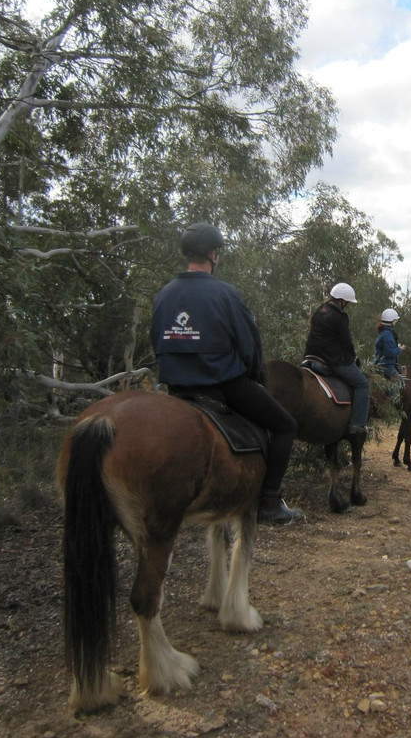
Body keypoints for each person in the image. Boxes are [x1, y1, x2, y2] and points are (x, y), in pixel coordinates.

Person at [150, 222, 303, 525]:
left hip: (178, 389)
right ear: (213, 254)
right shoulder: (225, 294)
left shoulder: (164, 295)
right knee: (286, 426)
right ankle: (269, 503)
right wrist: (254, 376)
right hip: (223, 386)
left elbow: (157, 340)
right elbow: (249, 345)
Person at [304, 282, 370, 435]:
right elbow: (346, 342)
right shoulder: (339, 316)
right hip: (331, 360)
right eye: (347, 303)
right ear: (343, 300)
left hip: (310, 356)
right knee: (362, 384)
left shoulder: (320, 310)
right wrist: (351, 358)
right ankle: (357, 425)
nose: (347, 305)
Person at [373, 308, 406, 379]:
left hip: (381, 364)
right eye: (395, 321)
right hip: (386, 366)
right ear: (392, 322)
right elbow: (390, 353)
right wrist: (400, 349)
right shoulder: (387, 335)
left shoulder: (384, 333)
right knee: (401, 381)